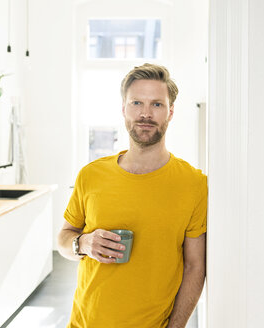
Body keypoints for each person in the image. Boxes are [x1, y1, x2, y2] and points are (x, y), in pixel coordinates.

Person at [58, 63, 207, 328]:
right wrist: (83, 244)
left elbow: (195, 266)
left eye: (157, 105)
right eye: (136, 102)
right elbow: (63, 238)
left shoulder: (194, 184)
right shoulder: (90, 175)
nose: (145, 114)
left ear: (170, 112)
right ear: (124, 109)